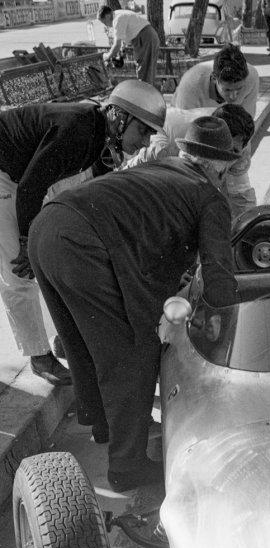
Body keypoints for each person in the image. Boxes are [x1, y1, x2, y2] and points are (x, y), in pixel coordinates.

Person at [28, 116, 240, 493]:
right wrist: (227, 328)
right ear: (219, 165)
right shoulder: (210, 197)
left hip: (48, 225)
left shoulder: (163, 166)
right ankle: (127, 467)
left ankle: (104, 425)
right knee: (130, 351)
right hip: (81, 243)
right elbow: (219, 276)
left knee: (82, 342)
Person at [0, 79, 165, 386]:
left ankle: (63, 339)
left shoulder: (99, 138)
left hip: (20, 175)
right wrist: (25, 241)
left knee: (51, 258)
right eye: (143, 130)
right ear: (119, 116)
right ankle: (39, 356)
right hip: (6, 174)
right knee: (19, 270)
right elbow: (30, 188)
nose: (145, 142)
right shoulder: (77, 131)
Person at [124, 102, 255, 220]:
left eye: (233, 152)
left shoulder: (242, 150)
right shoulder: (163, 146)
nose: (224, 160)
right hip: (169, 134)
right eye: (222, 150)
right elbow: (127, 176)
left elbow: (241, 200)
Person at [174, 44, 259, 216]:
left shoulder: (252, 78)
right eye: (227, 89)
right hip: (193, 133)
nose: (233, 97)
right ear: (214, 78)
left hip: (229, 130)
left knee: (241, 196)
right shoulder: (191, 84)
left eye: (239, 90)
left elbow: (243, 130)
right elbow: (190, 141)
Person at [98, 5, 160, 85]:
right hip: (148, 36)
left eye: (103, 22)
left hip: (145, 38)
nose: (105, 25)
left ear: (107, 16)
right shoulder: (119, 14)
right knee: (148, 72)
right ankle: (148, 94)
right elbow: (125, 39)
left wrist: (107, 56)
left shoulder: (117, 19)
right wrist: (121, 53)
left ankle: (144, 95)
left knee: (144, 72)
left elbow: (117, 45)